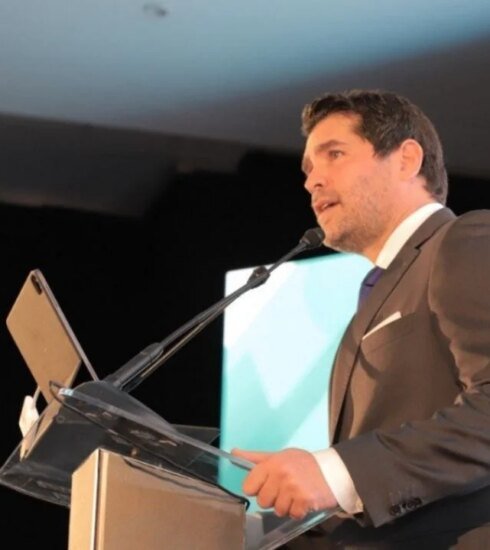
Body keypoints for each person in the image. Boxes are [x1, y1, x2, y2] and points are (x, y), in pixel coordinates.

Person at [232, 90, 490, 548]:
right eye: (308, 169)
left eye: (334, 154)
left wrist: (335, 472)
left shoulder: (465, 239)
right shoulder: (371, 301)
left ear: (406, 159)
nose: (313, 181)